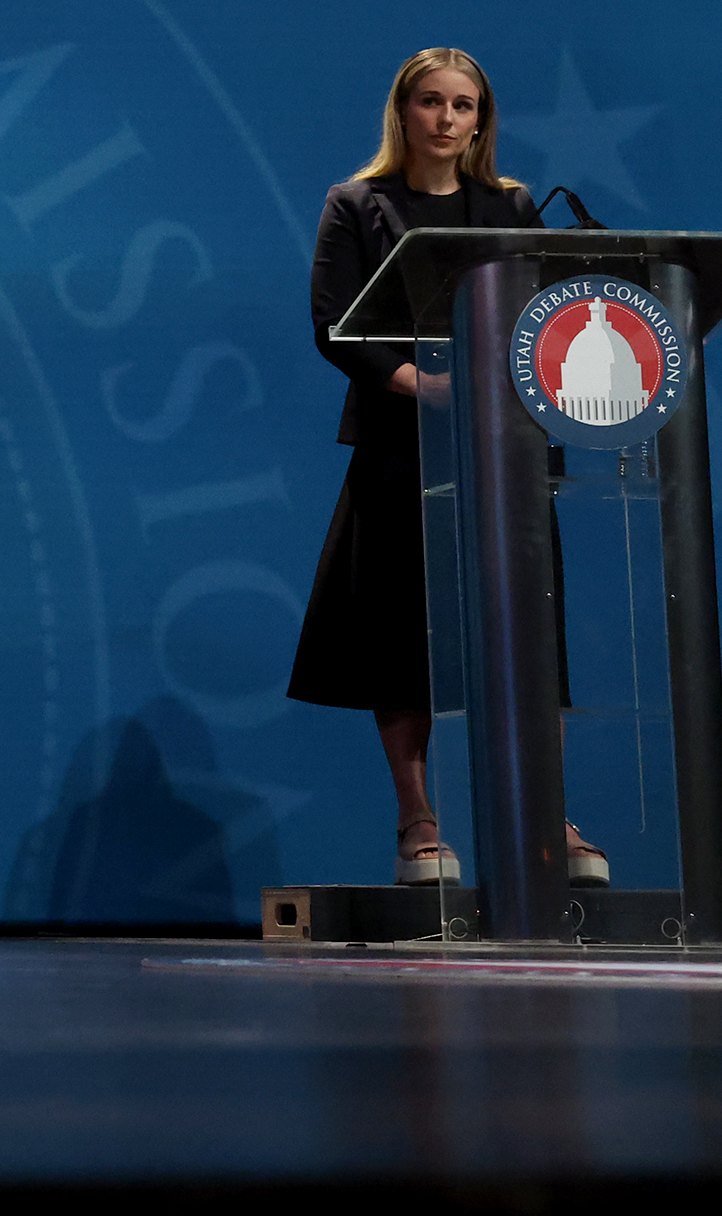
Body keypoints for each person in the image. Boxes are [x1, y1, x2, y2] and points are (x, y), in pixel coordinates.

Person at [288, 46, 608, 889]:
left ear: (481, 120)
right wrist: (418, 385)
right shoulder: (357, 203)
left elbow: (545, 315)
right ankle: (417, 819)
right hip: (402, 443)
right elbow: (334, 324)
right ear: (403, 111)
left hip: (503, 444)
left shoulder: (507, 205)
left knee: (528, 630)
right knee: (403, 635)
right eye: (431, 102)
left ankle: (547, 812)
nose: (447, 120)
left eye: (463, 106)